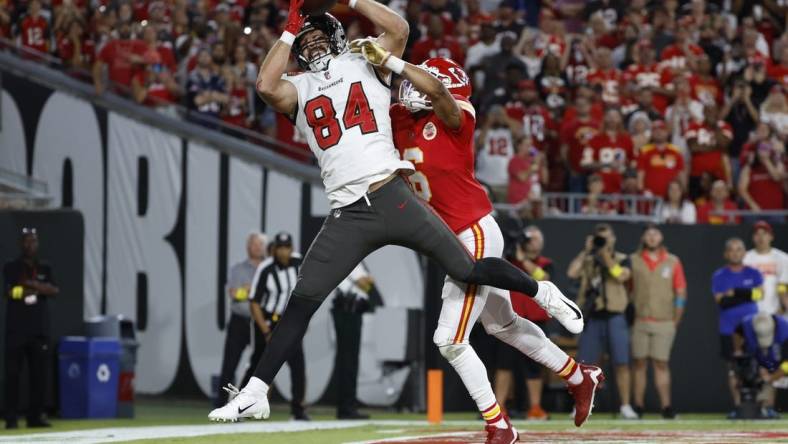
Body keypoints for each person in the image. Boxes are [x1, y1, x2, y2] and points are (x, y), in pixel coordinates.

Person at [210, 1, 584, 430]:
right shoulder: (298, 86)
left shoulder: (365, 62)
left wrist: (352, 4)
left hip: (392, 193)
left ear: (335, 36)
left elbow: (398, 28)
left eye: (316, 36)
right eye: (304, 41)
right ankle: (256, 391)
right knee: (302, 301)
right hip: (347, 212)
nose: (310, 45)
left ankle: (544, 294)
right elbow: (264, 84)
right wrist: (289, 30)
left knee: (467, 266)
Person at [382, 52, 601, 433]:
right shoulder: (399, 119)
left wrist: (395, 62)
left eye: (423, 82)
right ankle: (579, 376)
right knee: (503, 326)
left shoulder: (456, 118)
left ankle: (498, 425)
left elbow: (440, 95)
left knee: (449, 339)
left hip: (473, 229)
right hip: (449, 237)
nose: (412, 87)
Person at [568, 223, 637, 419]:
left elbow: (622, 276)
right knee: (585, 365)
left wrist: (605, 257)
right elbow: (572, 273)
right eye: (600, 238)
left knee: (622, 362)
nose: (603, 242)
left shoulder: (623, 259)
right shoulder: (589, 259)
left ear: (613, 239)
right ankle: (581, 406)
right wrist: (586, 251)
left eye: (606, 238)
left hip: (616, 315)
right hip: (593, 316)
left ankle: (625, 405)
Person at [242, 232, 308, 420]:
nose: (283, 252)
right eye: (280, 248)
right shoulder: (266, 268)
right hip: (268, 321)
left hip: (289, 323)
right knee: (258, 365)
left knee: (298, 366)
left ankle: (298, 409)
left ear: (291, 248)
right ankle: (244, 405)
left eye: (286, 247)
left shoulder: (299, 262)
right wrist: (265, 330)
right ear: (274, 249)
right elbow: (254, 302)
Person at [495, 226, 554, 421]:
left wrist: (523, 259)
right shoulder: (510, 261)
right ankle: (499, 408)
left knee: (533, 368)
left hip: (534, 321)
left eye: (535, 239)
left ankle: (535, 408)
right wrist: (514, 256)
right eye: (529, 239)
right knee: (503, 365)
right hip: (508, 318)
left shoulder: (546, 263)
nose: (532, 243)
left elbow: (542, 279)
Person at [3, 228, 59, 429]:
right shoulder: (11, 266)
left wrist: (32, 285)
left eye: (33, 241)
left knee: (39, 376)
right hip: (16, 329)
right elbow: (11, 292)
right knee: (13, 375)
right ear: (21, 244)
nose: (30, 245)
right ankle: (11, 418)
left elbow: (54, 290)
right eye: (26, 241)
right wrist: (35, 289)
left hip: (39, 330)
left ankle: (35, 417)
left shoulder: (45, 267)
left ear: (38, 243)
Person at [629, 225, 687, 419]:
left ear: (661, 237)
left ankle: (666, 407)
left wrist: (676, 319)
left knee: (661, 363)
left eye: (655, 233)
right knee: (639, 364)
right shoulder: (634, 260)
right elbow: (628, 289)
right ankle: (637, 406)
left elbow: (680, 292)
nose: (652, 237)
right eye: (649, 234)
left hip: (664, 321)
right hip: (640, 319)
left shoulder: (672, 261)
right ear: (644, 237)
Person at [711, 238, 764, 419]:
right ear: (726, 254)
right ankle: (739, 407)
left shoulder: (754, 273)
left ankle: (760, 407)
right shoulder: (719, 275)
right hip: (728, 328)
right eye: (731, 250)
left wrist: (734, 293)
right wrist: (746, 294)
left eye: (739, 249)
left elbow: (759, 294)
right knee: (733, 368)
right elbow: (722, 301)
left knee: (756, 366)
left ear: (744, 252)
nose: (735, 253)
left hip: (751, 327)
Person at [215, 232, 267, 408]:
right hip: (240, 321)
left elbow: (269, 294)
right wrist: (253, 292)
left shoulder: (269, 268)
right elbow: (234, 293)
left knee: (257, 367)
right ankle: (221, 404)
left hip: (260, 322)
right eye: (254, 244)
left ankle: (243, 405)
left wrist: (248, 290)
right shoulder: (238, 269)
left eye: (260, 244)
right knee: (229, 365)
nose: (257, 247)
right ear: (248, 247)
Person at [331, 262, 376, 420]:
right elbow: (365, 283)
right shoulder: (351, 258)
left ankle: (348, 406)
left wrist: (369, 281)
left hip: (352, 311)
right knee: (348, 361)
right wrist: (368, 280)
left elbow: (370, 284)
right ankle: (346, 408)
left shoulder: (356, 261)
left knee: (350, 360)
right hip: (347, 311)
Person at [740, 312, 788, 419]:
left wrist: (771, 378)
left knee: (772, 376)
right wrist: (761, 369)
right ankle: (762, 407)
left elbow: (787, 365)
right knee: (751, 372)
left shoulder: (785, 331)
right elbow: (747, 352)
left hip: (780, 364)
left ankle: (766, 406)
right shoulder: (747, 325)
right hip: (769, 363)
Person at [743, 221, 788, 315]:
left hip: (777, 311)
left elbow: (782, 286)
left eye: (764, 234)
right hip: (751, 312)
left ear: (771, 237)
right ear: (753, 238)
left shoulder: (783, 258)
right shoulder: (745, 258)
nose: (761, 237)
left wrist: (783, 307)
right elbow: (743, 287)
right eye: (757, 234)